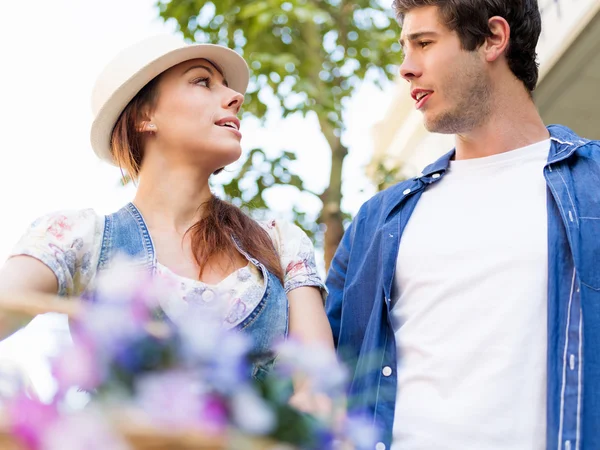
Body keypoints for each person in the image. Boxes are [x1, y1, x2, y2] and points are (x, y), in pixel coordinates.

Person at [0, 35, 334, 413]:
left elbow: (319, 391)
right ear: (145, 116)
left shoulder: (279, 241)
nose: (234, 97)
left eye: (225, 86)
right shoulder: (78, 238)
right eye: (202, 81)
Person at [326, 0, 600, 449]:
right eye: (403, 49)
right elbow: (309, 368)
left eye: (424, 43)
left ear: (493, 38)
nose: (406, 69)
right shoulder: (377, 221)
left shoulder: (594, 184)